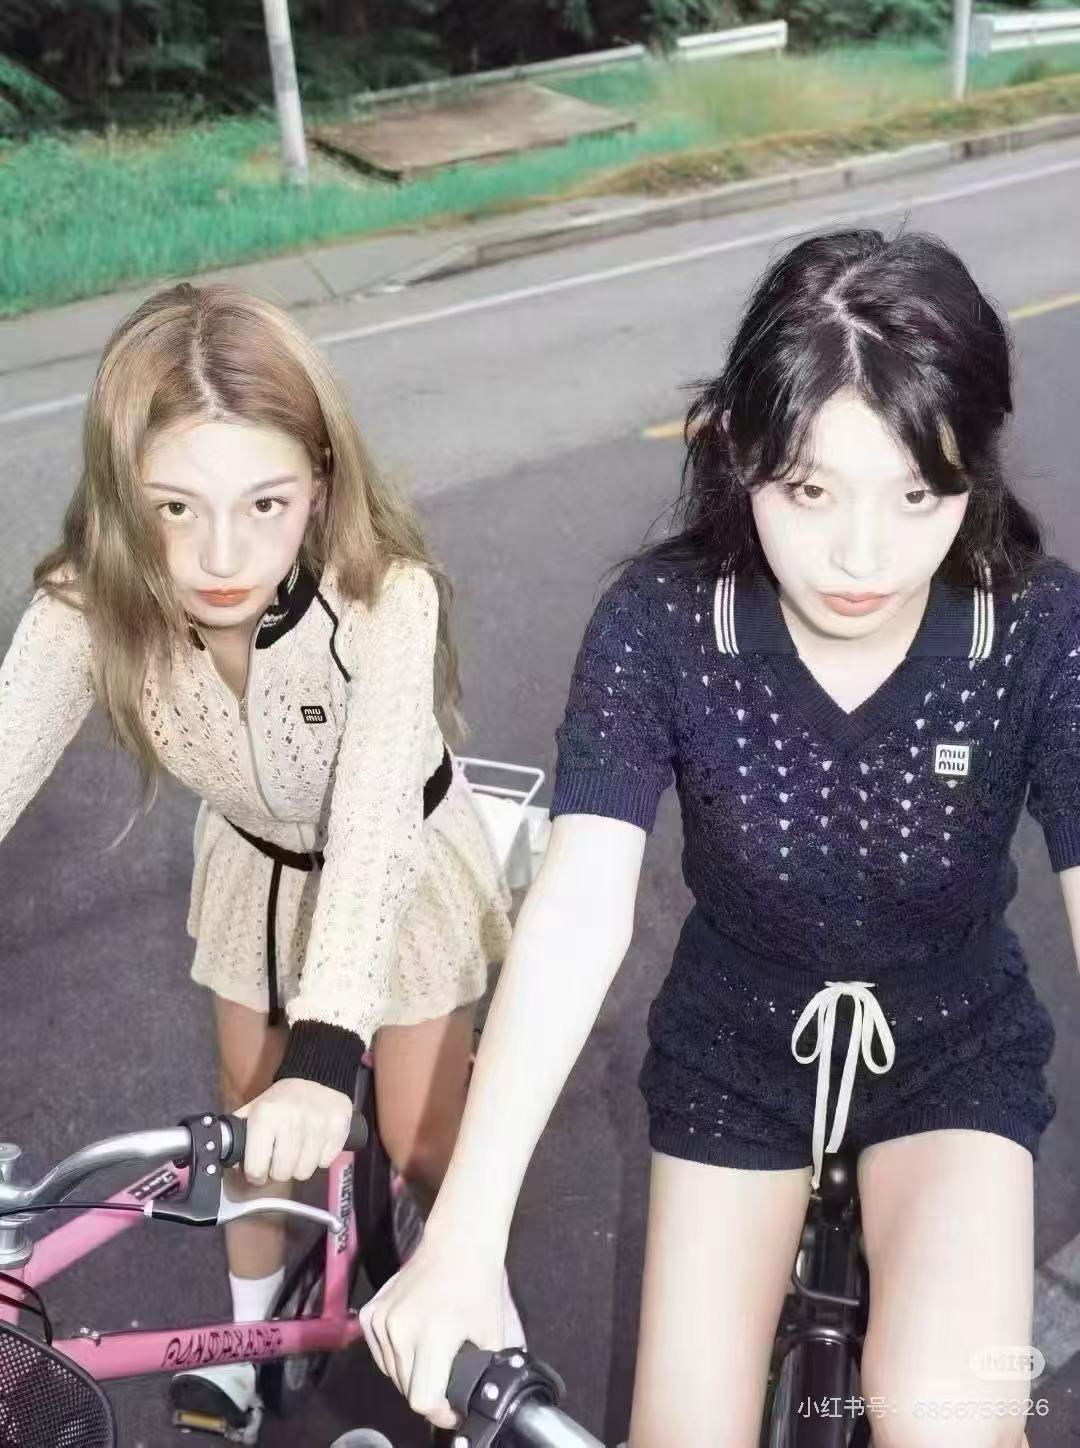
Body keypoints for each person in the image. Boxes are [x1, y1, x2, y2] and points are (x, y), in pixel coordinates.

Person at [358, 228, 1076, 1448]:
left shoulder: (1039, 627)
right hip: (734, 1055)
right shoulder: (662, 620)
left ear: (975, 468)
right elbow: (579, 902)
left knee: (951, 1420)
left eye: (919, 492)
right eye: (811, 490)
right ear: (741, 452)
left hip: (956, 1050)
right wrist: (464, 1234)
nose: (863, 555)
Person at [0, 281, 522, 1431]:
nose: (220, 553)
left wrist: (327, 1055)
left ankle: (489, 1320)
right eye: (173, 508)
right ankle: (242, 1346)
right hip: (255, 864)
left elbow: (374, 822)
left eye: (265, 501)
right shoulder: (91, 600)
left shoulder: (385, 595)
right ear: (122, 494)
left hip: (399, 863)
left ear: (320, 481)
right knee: (244, 1113)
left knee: (418, 1132)